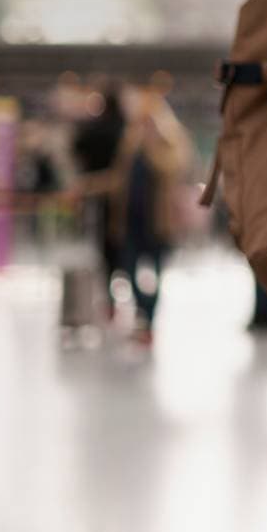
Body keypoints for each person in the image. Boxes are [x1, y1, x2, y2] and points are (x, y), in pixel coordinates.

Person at [110, 87, 191, 344]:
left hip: (158, 224)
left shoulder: (168, 147)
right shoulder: (130, 148)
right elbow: (118, 180)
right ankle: (143, 311)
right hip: (132, 222)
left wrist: (153, 144)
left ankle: (149, 321)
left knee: (155, 274)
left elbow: (175, 169)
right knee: (129, 271)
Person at [72, 80, 126, 306]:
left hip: (96, 192)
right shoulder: (125, 129)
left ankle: (107, 288)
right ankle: (116, 283)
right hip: (123, 196)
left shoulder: (95, 127)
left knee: (102, 241)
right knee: (119, 241)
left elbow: (76, 146)